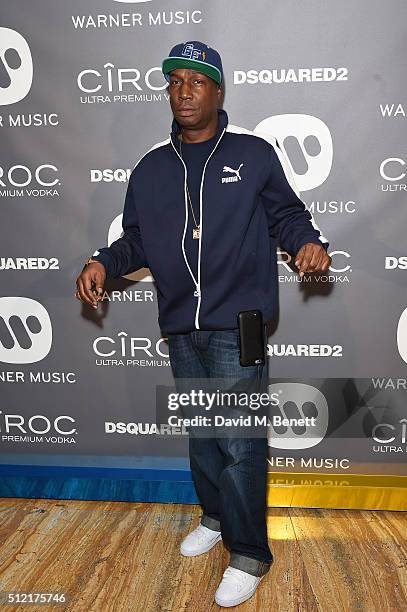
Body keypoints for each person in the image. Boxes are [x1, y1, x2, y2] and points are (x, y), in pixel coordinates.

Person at [75, 40, 331, 607]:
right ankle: (215, 518)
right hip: (180, 325)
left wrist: (307, 243)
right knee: (203, 435)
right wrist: (102, 260)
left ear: (218, 91)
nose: (183, 91)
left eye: (196, 81)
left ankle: (249, 553)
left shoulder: (254, 154)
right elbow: (136, 240)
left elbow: (288, 216)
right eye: (174, 81)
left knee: (239, 441)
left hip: (236, 323)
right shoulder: (151, 167)